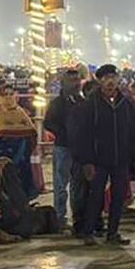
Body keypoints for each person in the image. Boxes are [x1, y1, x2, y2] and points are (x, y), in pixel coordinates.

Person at [72, 64, 135, 247]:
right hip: (98, 160)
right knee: (95, 197)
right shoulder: (90, 104)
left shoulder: (126, 103)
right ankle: (89, 231)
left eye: (113, 77)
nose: (110, 81)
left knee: (118, 198)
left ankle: (113, 232)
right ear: (99, 81)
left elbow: (134, 131)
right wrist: (87, 161)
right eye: (105, 78)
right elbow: (84, 135)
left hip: (121, 159)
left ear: (118, 79)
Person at [44, 69, 84, 232]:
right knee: (61, 184)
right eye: (72, 80)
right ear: (63, 83)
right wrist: (64, 134)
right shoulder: (57, 104)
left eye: (77, 80)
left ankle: (77, 217)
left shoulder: (81, 101)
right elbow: (48, 123)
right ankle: (60, 217)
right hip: (63, 147)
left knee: (77, 184)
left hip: (79, 148)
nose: (76, 83)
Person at [0, 84, 39, 200]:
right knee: (5, 183)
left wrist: (13, 131)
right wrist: (16, 129)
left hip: (21, 156)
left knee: (21, 185)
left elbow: (30, 129)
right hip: (2, 153)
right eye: (5, 95)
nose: (9, 97)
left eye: (11, 94)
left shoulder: (19, 111)